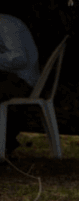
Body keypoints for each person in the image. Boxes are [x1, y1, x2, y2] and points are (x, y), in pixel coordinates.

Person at [1, 14, 40, 155]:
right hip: (15, 80)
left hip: (22, 82)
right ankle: (6, 141)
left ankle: (5, 141)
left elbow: (19, 58)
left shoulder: (5, 24)